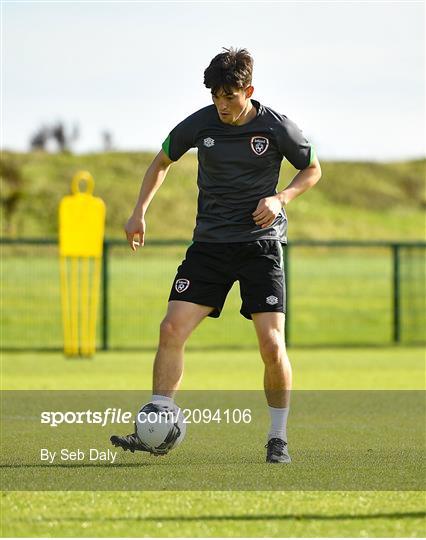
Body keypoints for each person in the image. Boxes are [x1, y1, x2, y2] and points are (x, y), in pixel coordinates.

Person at [111, 47, 321, 463]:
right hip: (209, 245)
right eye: (215, 97)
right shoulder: (201, 123)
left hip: (261, 246)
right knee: (171, 329)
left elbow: (312, 169)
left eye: (230, 96)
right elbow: (161, 161)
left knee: (271, 344)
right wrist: (138, 212)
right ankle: (158, 422)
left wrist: (281, 198)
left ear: (249, 90)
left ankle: (277, 438)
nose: (222, 105)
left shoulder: (277, 127)